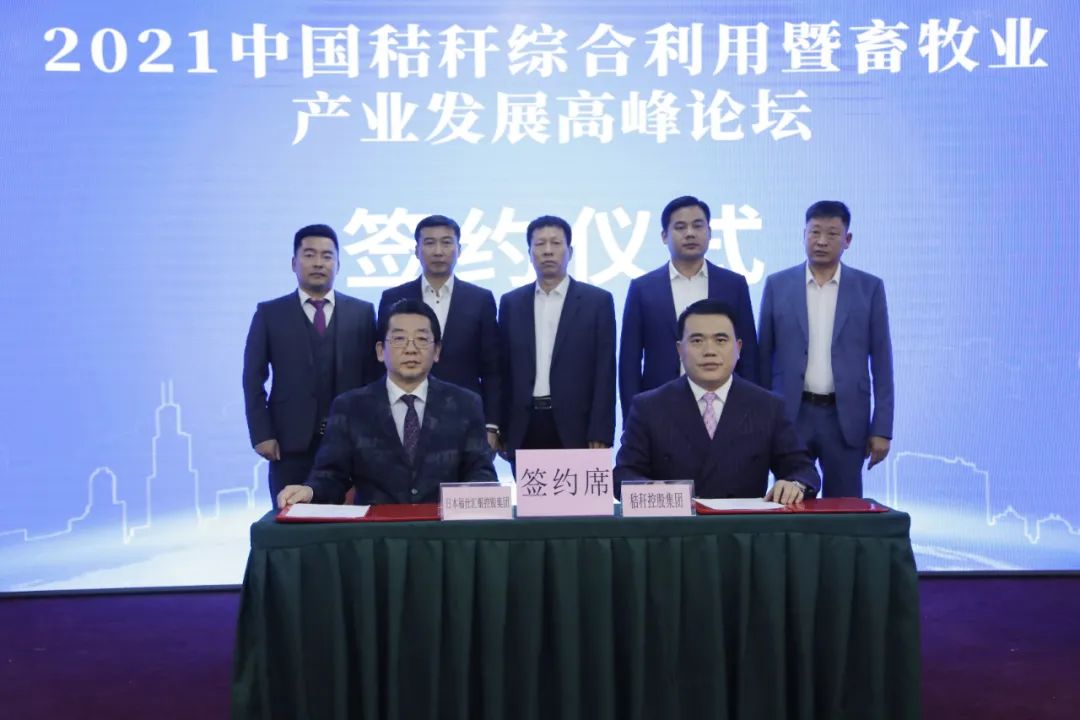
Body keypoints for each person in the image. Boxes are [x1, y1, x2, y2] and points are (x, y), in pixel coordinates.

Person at [277, 299, 496, 507]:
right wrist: (310, 491)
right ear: (380, 351)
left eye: (421, 339)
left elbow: (481, 472)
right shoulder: (351, 407)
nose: (411, 349)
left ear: (437, 351)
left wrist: (474, 492)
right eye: (399, 339)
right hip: (376, 530)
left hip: (442, 529)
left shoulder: (465, 404)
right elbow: (330, 476)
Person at [615, 300, 818, 504]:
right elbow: (624, 474)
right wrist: (647, 488)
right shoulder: (649, 407)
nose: (709, 351)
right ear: (679, 350)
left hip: (744, 523)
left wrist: (794, 484)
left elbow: (803, 470)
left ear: (738, 348)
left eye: (720, 340)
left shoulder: (768, 406)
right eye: (697, 341)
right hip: (676, 522)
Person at [757, 201, 894, 498]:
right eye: (815, 232)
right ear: (803, 235)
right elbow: (763, 357)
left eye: (832, 233)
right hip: (791, 415)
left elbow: (882, 362)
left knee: (844, 507)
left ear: (848, 240)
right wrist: (761, 419)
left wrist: (882, 428)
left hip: (846, 418)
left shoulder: (869, 288)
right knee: (790, 502)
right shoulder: (778, 285)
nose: (821, 241)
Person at [243, 224, 379, 503]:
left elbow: (374, 378)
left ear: (338, 265)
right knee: (291, 516)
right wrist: (261, 434)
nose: (318, 263)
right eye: (309, 255)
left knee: (349, 520)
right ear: (294, 263)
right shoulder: (270, 313)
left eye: (327, 256)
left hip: (351, 443)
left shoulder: (362, 312)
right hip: (289, 444)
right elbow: (253, 378)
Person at [619, 195, 759, 418]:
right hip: (660, 408)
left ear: (709, 232)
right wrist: (632, 418)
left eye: (697, 225)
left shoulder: (733, 285)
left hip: (724, 406)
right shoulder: (643, 288)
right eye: (680, 227)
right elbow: (629, 361)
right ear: (664, 236)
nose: (690, 233)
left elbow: (748, 354)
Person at [497, 215, 616, 461]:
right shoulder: (511, 303)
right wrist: (502, 427)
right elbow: (502, 370)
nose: (548, 251)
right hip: (524, 425)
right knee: (530, 489)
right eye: (540, 244)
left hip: (578, 427)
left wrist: (601, 429)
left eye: (556, 243)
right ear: (530, 253)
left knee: (577, 489)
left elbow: (605, 370)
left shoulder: (597, 302)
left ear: (570, 252)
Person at [378, 214, 502, 450]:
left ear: (459, 250)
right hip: (405, 414)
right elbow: (382, 362)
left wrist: (491, 426)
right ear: (416, 250)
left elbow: (492, 369)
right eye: (429, 243)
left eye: (446, 243)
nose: (438, 251)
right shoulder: (393, 297)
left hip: (465, 417)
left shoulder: (480, 299)